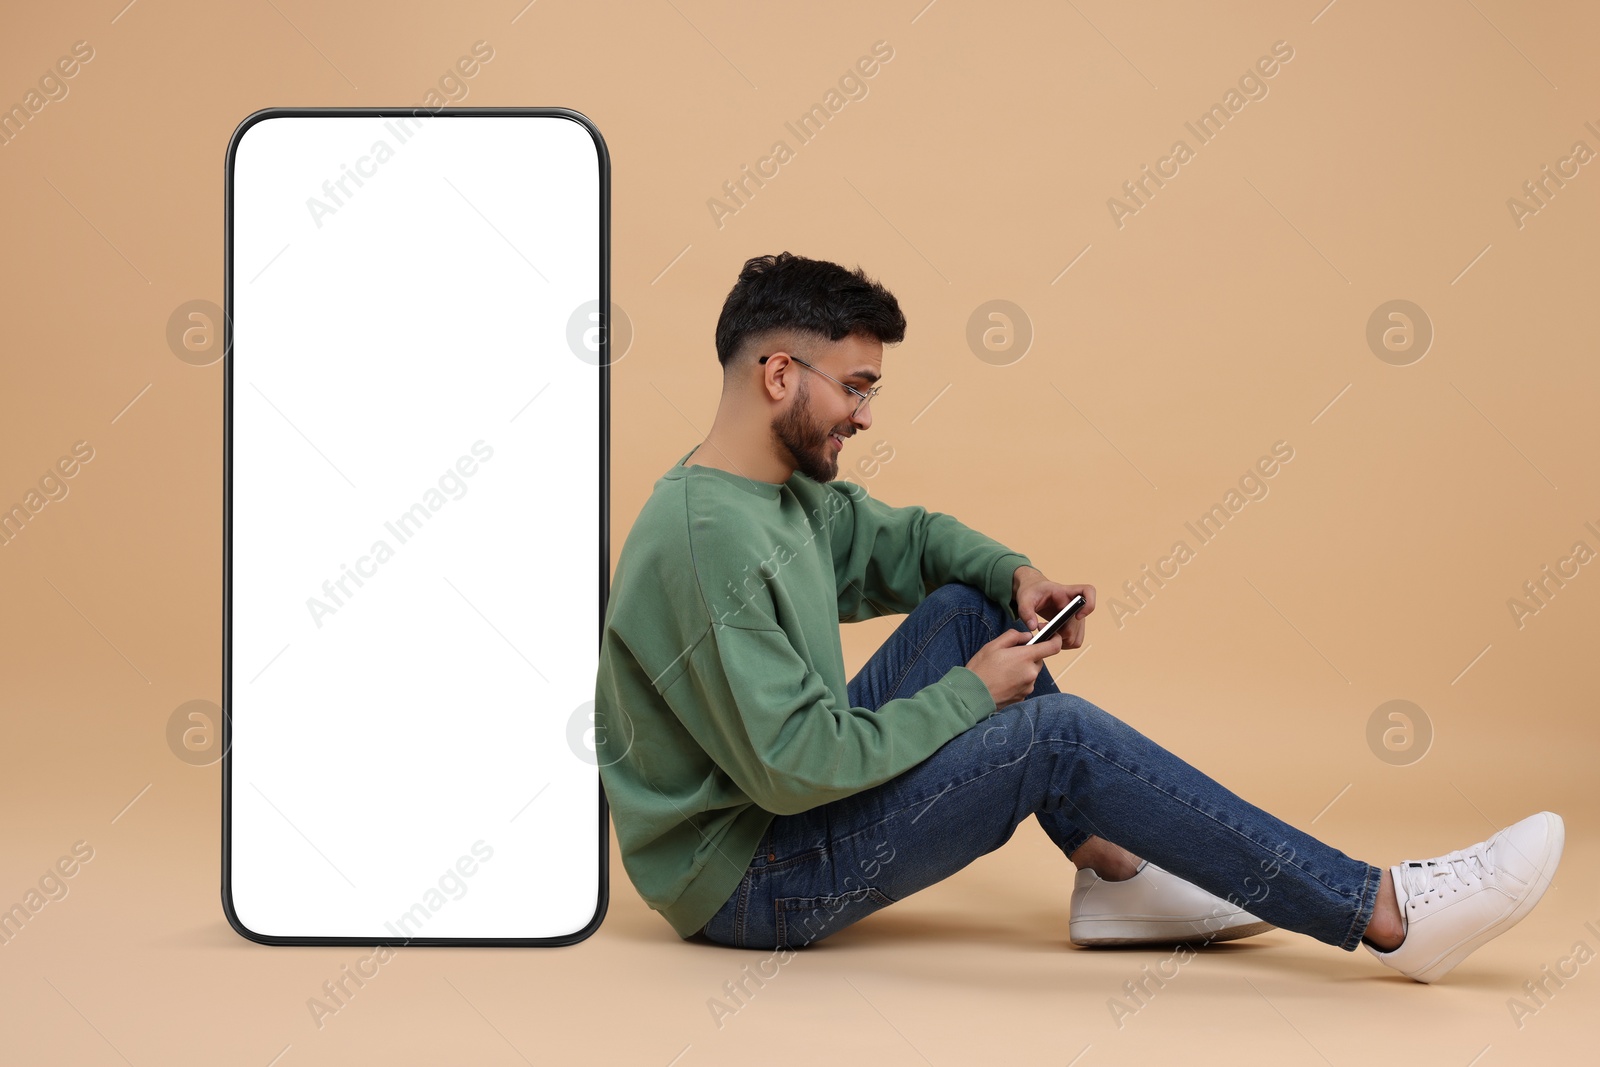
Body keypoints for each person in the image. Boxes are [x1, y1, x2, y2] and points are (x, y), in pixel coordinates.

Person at [592, 251, 1564, 982]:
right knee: (1049, 735)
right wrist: (974, 694)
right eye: (853, 387)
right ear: (777, 375)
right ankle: (1385, 911)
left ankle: (1112, 872)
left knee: (965, 604)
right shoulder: (706, 537)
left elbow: (909, 542)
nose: (865, 413)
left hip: (779, 815)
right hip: (750, 879)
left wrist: (1012, 576)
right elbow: (792, 764)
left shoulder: (781, 492)